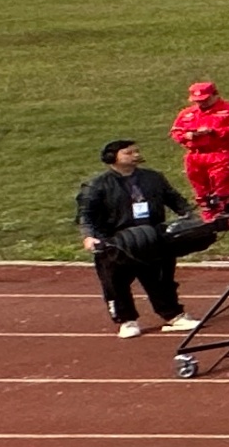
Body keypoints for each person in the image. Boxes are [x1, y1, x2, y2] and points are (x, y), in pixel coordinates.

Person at [79, 140, 203, 335]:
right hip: (116, 242)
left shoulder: (153, 178)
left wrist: (191, 218)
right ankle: (127, 320)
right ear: (112, 158)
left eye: (136, 151)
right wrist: (89, 237)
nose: (135, 155)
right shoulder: (97, 185)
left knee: (162, 279)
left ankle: (173, 315)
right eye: (128, 153)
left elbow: (176, 201)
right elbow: (86, 215)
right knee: (115, 283)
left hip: (152, 237)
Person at [169, 81, 229, 215]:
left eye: (205, 100)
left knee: (221, 189)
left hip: (220, 153)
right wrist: (188, 136)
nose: (201, 103)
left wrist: (215, 132)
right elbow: (175, 132)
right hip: (194, 156)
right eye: (197, 101)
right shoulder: (186, 114)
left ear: (215, 95)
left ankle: (225, 214)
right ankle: (208, 217)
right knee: (201, 191)